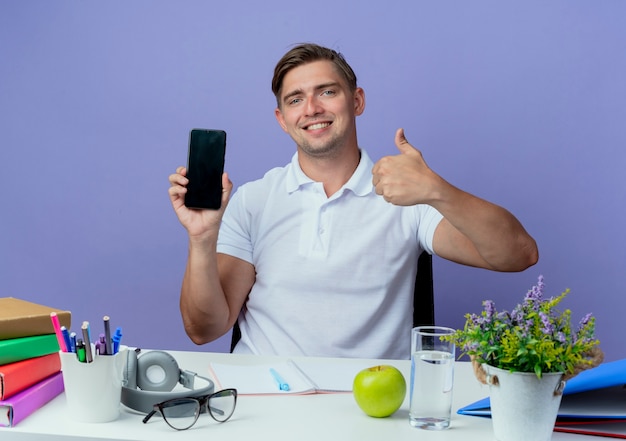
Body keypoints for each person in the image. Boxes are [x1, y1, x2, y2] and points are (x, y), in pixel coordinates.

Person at [168, 43, 538, 359]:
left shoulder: (407, 195)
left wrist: (437, 190)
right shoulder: (253, 200)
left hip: (370, 408)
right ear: (282, 119)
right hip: (263, 402)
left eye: (327, 92)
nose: (311, 108)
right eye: (296, 99)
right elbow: (203, 329)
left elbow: (518, 254)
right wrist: (201, 239)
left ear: (356, 100)